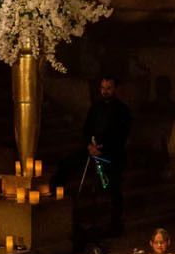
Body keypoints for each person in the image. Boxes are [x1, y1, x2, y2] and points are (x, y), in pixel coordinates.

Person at [56, 76, 132, 234]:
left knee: (113, 188)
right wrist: (89, 145)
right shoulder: (95, 107)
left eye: (109, 88)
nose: (105, 91)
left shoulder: (123, 110)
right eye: (103, 88)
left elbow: (122, 135)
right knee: (68, 164)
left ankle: (115, 224)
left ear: (115, 89)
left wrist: (103, 148)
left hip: (112, 154)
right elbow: (86, 129)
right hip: (92, 149)